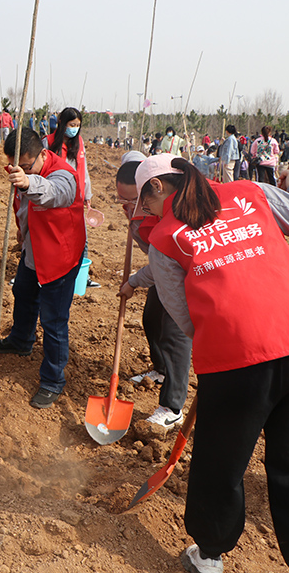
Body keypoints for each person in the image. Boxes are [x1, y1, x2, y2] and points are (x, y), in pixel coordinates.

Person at [135, 154, 289, 573]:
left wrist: (223, 347)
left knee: (221, 461)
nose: (146, 215)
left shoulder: (164, 237)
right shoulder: (253, 193)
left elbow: (181, 315)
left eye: (145, 204)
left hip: (237, 358)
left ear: (159, 187)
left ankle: (210, 554)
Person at [0, 128, 86, 409]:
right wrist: (22, 230)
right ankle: (22, 339)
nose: (19, 171)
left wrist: (27, 182)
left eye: (26, 165)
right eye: (14, 166)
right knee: (22, 291)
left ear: (43, 154)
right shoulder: (23, 173)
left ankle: (53, 381)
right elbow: (22, 205)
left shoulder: (63, 175)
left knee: (53, 321)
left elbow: (53, 194)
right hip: (34, 250)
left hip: (60, 256)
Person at [114, 158, 191, 430]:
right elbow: (153, 254)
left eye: (135, 199)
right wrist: (134, 223)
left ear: (155, 188)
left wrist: (134, 281)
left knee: (175, 333)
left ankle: (173, 406)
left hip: (182, 277)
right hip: (163, 272)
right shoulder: (144, 212)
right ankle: (160, 370)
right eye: (123, 200)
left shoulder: (179, 215)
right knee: (151, 318)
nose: (132, 206)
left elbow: (162, 263)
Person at [45, 107, 99, 289]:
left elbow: (84, 170)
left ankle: (81, 274)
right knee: (55, 236)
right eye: (71, 124)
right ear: (61, 124)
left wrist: (87, 195)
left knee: (81, 237)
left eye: (77, 125)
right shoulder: (48, 142)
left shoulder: (79, 143)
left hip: (76, 198)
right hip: (55, 197)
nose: (74, 128)